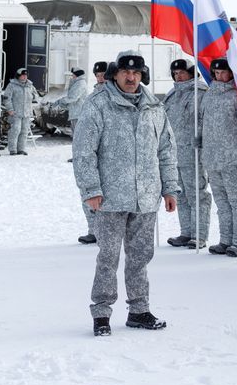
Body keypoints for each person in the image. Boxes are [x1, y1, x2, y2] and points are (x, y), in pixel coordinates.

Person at [73, 50, 180, 337]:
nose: (131, 77)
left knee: (141, 256)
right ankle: (102, 313)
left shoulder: (154, 107)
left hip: (146, 196)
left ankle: (139, 310)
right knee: (108, 256)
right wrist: (91, 189)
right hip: (109, 198)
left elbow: (166, 150)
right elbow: (84, 152)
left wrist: (170, 187)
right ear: (115, 75)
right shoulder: (98, 105)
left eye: (136, 73)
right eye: (125, 72)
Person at [199, 58, 237, 257]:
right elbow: (204, 122)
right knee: (222, 202)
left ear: (232, 73)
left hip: (233, 160)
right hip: (213, 158)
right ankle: (226, 239)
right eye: (215, 73)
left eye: (223, 72)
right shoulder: (209, 95)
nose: (219, 76)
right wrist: (200, 140)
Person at [163, 59, 211, 249]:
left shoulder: (200, 94)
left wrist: (202, 143)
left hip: (193, 152)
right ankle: (186, 232)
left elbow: (206, 121)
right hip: (174, 154)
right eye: (175, 74)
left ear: (192, 73)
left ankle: (199, 235)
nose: (178, 76)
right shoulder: (172, 95)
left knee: (197, 195)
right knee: (181, 195)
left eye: (182, 73)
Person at [76, 61, 112, 244]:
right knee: (88, 192)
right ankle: (94, 230)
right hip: (91, 152)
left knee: (105, 196)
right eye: (98, 75)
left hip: (108, 154)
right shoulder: (93, 96)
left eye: (104, 75)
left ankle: (105, 231)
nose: (100, 78)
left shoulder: (113, 96)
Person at [2, 67, 39, 155]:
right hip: (15, 113)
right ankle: (13, 149)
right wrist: (10, 109)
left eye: (25, 75)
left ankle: (21, 149)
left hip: (26, 113)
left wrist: (33, 97)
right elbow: (7, 99)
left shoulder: (30, 85)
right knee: (15, 130)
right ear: (18, 76)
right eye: (22, 75)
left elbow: (36, 95)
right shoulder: (12, 85)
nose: (24, 77)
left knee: (24, 131)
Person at [55, 67, 89, 134]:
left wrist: (60, 101)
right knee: (76, 136)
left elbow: (72, 98)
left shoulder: (80, 84)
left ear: (77, 75)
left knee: (78, 136)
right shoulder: (77, 83)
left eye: (73, 74)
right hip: (76, 114)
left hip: (78, 114)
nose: (71, 76)